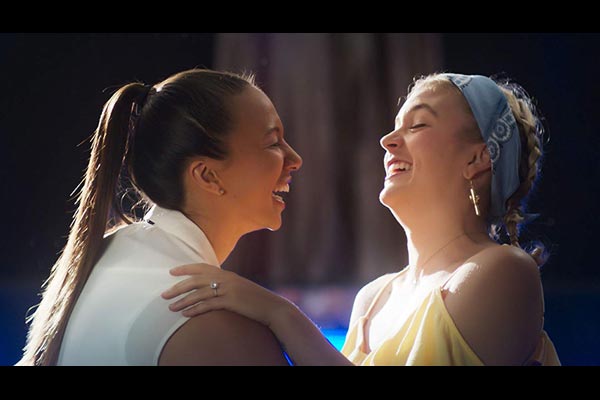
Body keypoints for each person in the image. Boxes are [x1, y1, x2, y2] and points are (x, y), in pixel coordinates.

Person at [161, 73, 561, 366]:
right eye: (394, 127)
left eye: (418, 124)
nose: (387, 141)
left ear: (477, 158)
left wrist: (277, 312)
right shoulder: (373, 299)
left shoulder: (504, 271)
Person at [17, 69, 302, 366]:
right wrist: (284, 314)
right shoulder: (212, 323)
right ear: (207, 175)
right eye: (273, 143)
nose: (296, 160)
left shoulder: (110, 252)